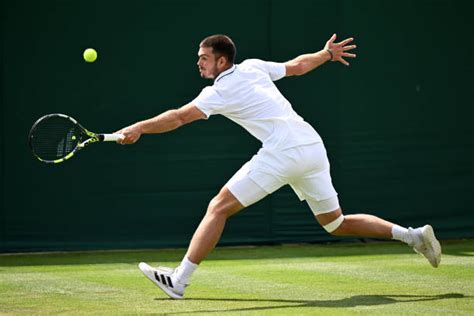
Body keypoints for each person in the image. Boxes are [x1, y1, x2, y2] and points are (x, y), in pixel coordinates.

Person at [116, 34, 442, 299]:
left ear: (221, 60)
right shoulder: (254, 67)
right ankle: (413, 236)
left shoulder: (220, 90)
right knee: (336, 224)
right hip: (311, 145)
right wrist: (326, 54)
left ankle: (179, 281)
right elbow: (297, 67)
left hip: (283, 150)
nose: (198, 62)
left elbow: (179, 116)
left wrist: (140, 127)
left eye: (203, 57)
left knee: (218, 207)